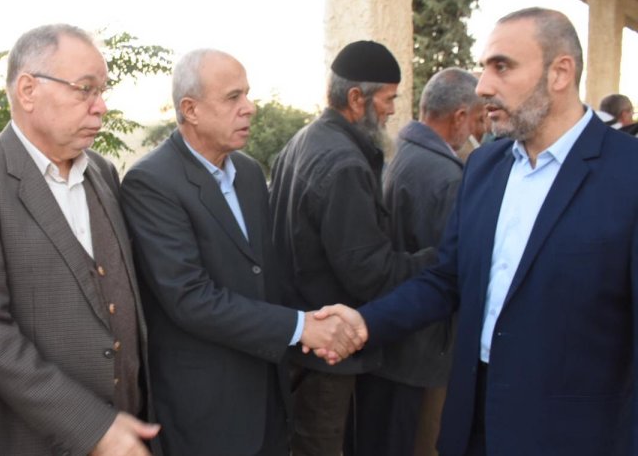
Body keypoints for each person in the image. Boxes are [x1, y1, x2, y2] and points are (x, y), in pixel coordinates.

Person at [319, 7, 638, 456]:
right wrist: (366, 322)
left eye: (502, 66)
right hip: (472, 425)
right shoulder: (485, 167)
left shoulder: (628, 174)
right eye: (484, 67)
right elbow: (447, 279)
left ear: (560, 72)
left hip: (572, 437)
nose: (483, 86)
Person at [0, 24, 160, 456]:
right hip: (32, 442)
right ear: (28, 90)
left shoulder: (102, 172)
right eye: (85, 90)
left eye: (102, 91)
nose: (100, 106)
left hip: (129, 433)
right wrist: (93, 427)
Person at [119, 49, 361, 456]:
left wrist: (324, 321)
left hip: (268, 399)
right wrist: (301, 327)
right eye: (233, 97)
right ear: (190, 110)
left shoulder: (248, 173)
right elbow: (190, 298)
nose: (249, 107)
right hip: (207, 412)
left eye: (247, 94)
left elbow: (266, 276)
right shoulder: (151, 182)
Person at [268, 41, 436, 456]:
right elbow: (369, 273)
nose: (393, 110)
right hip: (328, 351)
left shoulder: (304, 139)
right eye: (388, 99)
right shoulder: (344, 164)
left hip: (300, 340)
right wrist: (438, 262)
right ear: (357, 98)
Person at [359, 68, 482, 456]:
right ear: (459, 117)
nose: (479, 130)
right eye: (477, 119)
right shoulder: (446, 175)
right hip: (423, 348)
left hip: (392, 333)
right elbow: (450, 270)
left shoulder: (400, 151)